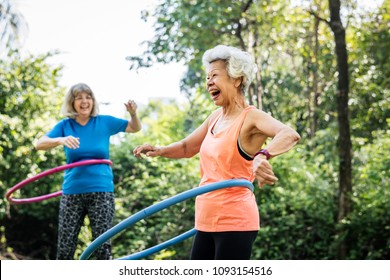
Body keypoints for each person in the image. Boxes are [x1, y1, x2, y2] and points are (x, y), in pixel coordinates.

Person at [133, 45, 301, 260]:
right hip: (205, 220)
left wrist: (263, 155)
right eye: (207, 77)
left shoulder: (251, 117)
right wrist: (159, 150)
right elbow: (187, 147)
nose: (208, 82)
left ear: (236, 79)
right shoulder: (215, 117)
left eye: (214, 75)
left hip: (235, 221)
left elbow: (289, 134)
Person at [35, 82, 141, 260]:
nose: (84, 101)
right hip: (72, 192)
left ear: (93, 101)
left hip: (101, 191)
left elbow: (134, 127)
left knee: (102, 247)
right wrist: (60, 140)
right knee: (65, 246)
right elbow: (39, 144)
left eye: (88, 97)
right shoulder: (65, 126)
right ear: (72, 102)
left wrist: (133, 113)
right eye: (79, 98)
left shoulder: (104, 122)